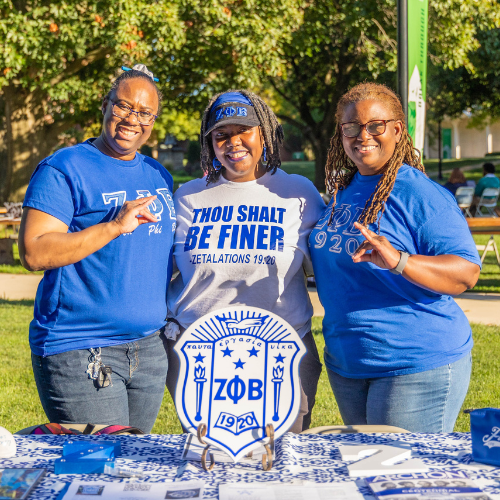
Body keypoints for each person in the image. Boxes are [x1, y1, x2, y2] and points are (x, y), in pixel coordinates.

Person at [309, 83, 481, 433]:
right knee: (366, 477)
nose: (363, 136)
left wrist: (400, 260)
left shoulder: (419, 193)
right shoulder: (346, 189)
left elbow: (466, 273)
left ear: (398, 129)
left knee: (403, 482)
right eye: (352, 128)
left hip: (414, 363)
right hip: (349, 365)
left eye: (375, 126)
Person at [19, 64, 175, 433]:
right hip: (81, 349)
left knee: (132, 467)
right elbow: (35, 252)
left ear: (154, 120)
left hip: (149, 350)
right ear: (105, 106)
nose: (131, 119)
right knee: (98, 474)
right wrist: (113, 226)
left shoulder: (158, 174)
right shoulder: (64, 168)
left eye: (144, 113)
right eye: (123, 106)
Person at [165, 90, 325, 432]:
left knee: (280, 463)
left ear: (264, 134)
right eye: (221, 135)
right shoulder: (188, 196)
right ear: (209, 144)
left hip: (282, 352)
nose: (233, 142)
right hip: (198, 354)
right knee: (209, 463)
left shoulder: (298, 192)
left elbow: (329, 262)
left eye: (244, 131)